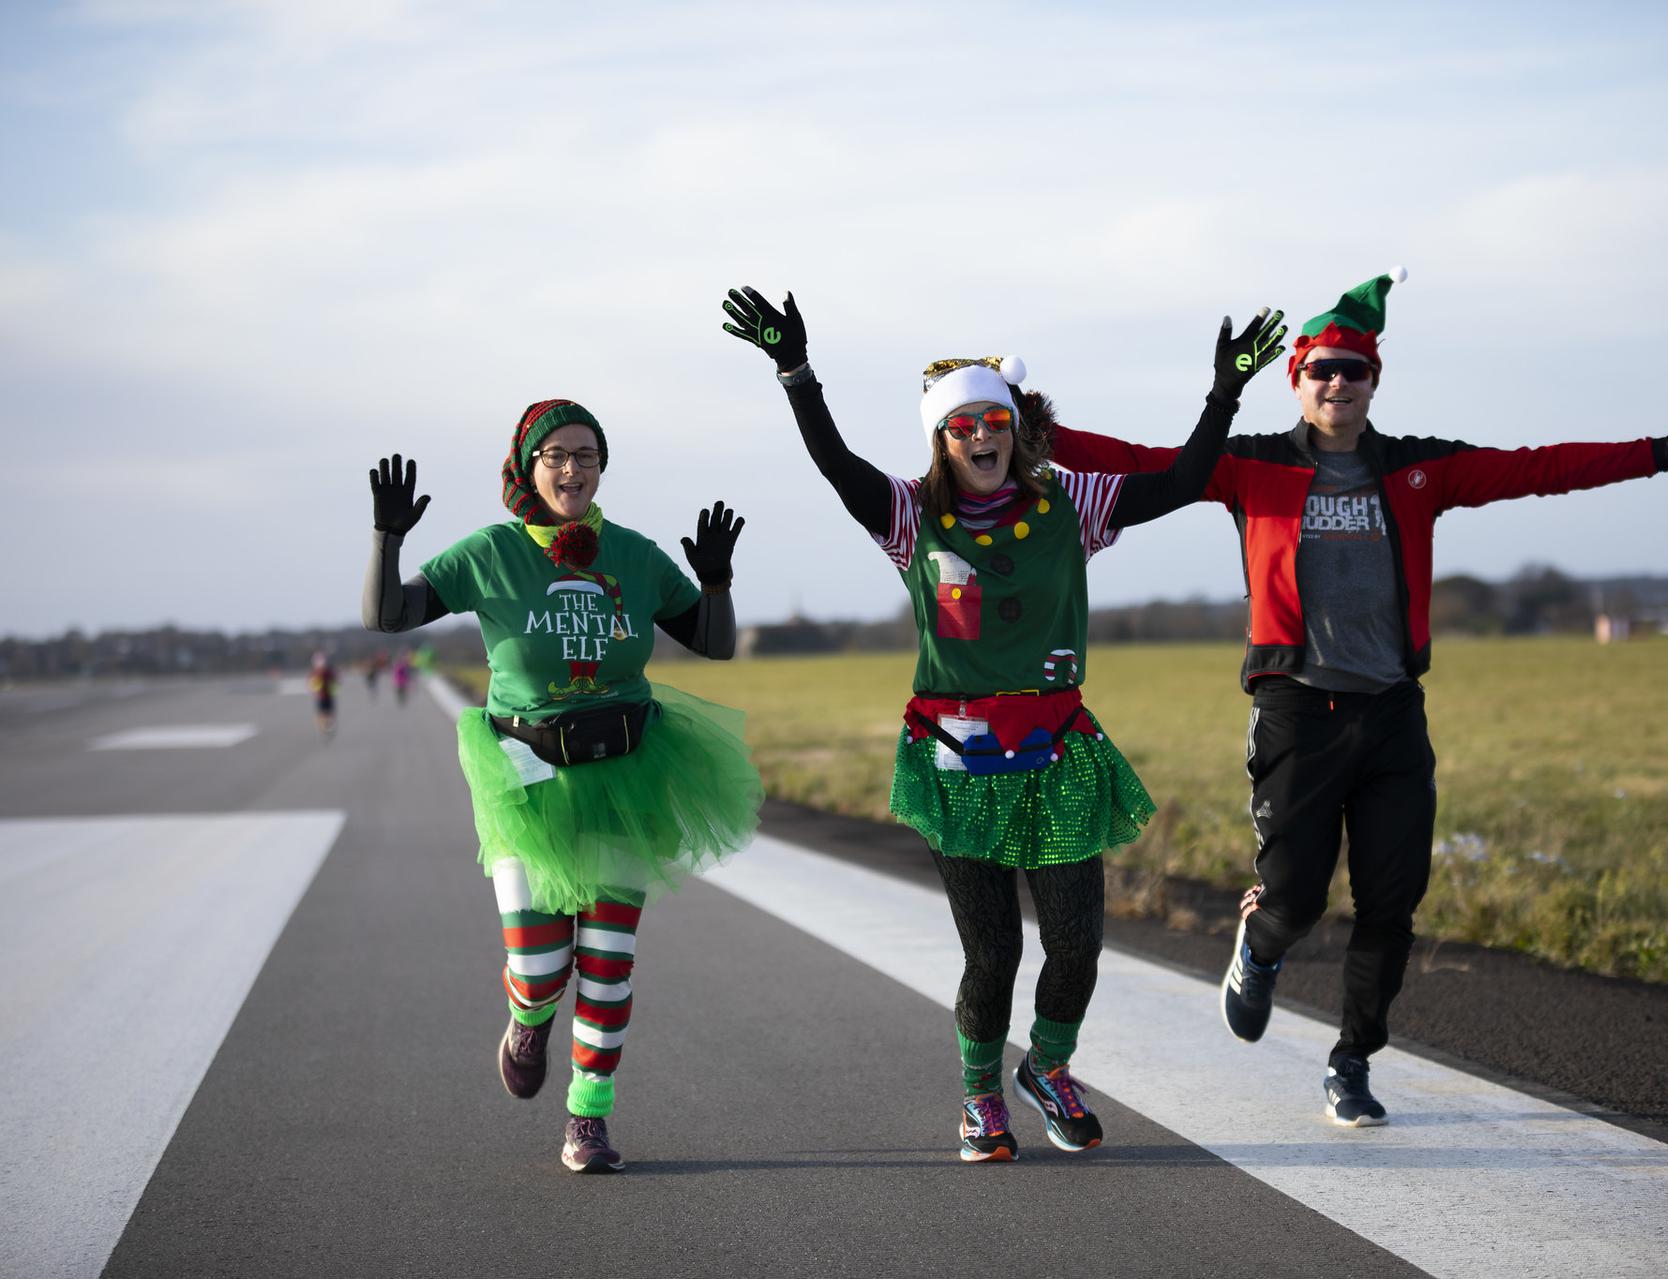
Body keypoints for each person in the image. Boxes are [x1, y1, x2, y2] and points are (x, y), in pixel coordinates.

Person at [1047, 268, 1668, 1127]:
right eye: (1322, 369)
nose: (1338, 381)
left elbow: (1537, 470)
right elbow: (1139, 462)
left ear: (1374, 380)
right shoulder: (1252, 467)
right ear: (1298, 381)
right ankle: (1262, 942)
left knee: (1392, 904)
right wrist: (1027, 424)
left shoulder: (1418, 470)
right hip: (1298, 714)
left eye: (1354, 368)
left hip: (1391, 715)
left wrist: (1664, 450)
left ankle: (1352, 1061)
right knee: (1297, 901)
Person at [723, 285, 1286, 1161]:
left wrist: (1225, 394)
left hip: (1058, 752)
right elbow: (839, 469)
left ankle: (1048, 1067)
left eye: (996, 421)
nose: (982, 437)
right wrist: (797, 373)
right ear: (941, 439)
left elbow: (1180, 481)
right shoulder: (913, 515)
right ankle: (980, 1095)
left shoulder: (1074, 503)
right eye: (963, 426)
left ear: (1016, 428)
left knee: (1077, 945)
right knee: (992, 954)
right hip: (958, 762)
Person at [362, 400, 764, 1173]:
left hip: (625, 768)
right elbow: (389, 615)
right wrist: (387, 540)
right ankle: (527, 1016)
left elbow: (711, 643)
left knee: (609, 958)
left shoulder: (635, 556)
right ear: (527, 467)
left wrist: (717, 582)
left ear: (601, 467)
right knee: (544, 965)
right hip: (527, 772)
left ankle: (589, 1116)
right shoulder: (491, 554)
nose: (572, 469)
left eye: (585, 455)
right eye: (555, 456)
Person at [309, 650, 338, 739]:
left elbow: (335, 681)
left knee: (330, 713)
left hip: (329, 695)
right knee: (321, 714)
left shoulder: (329, 672)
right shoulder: (315, 673)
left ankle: (328, 726)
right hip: (321, 696)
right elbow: (312, 684)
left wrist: (334, 688)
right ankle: (323, 729)